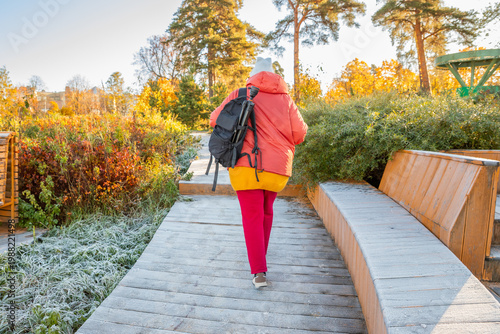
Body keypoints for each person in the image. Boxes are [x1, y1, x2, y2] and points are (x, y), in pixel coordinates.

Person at [210, 57, 308, 288]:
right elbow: (300, 134)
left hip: (245, 165)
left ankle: (259, 271)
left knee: (251, 216)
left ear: (252, 74)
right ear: (275, 76)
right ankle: (259, 261)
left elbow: (215, 120)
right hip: (276, 170)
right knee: (266, 212)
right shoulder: (286, 100)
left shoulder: (239, 94)